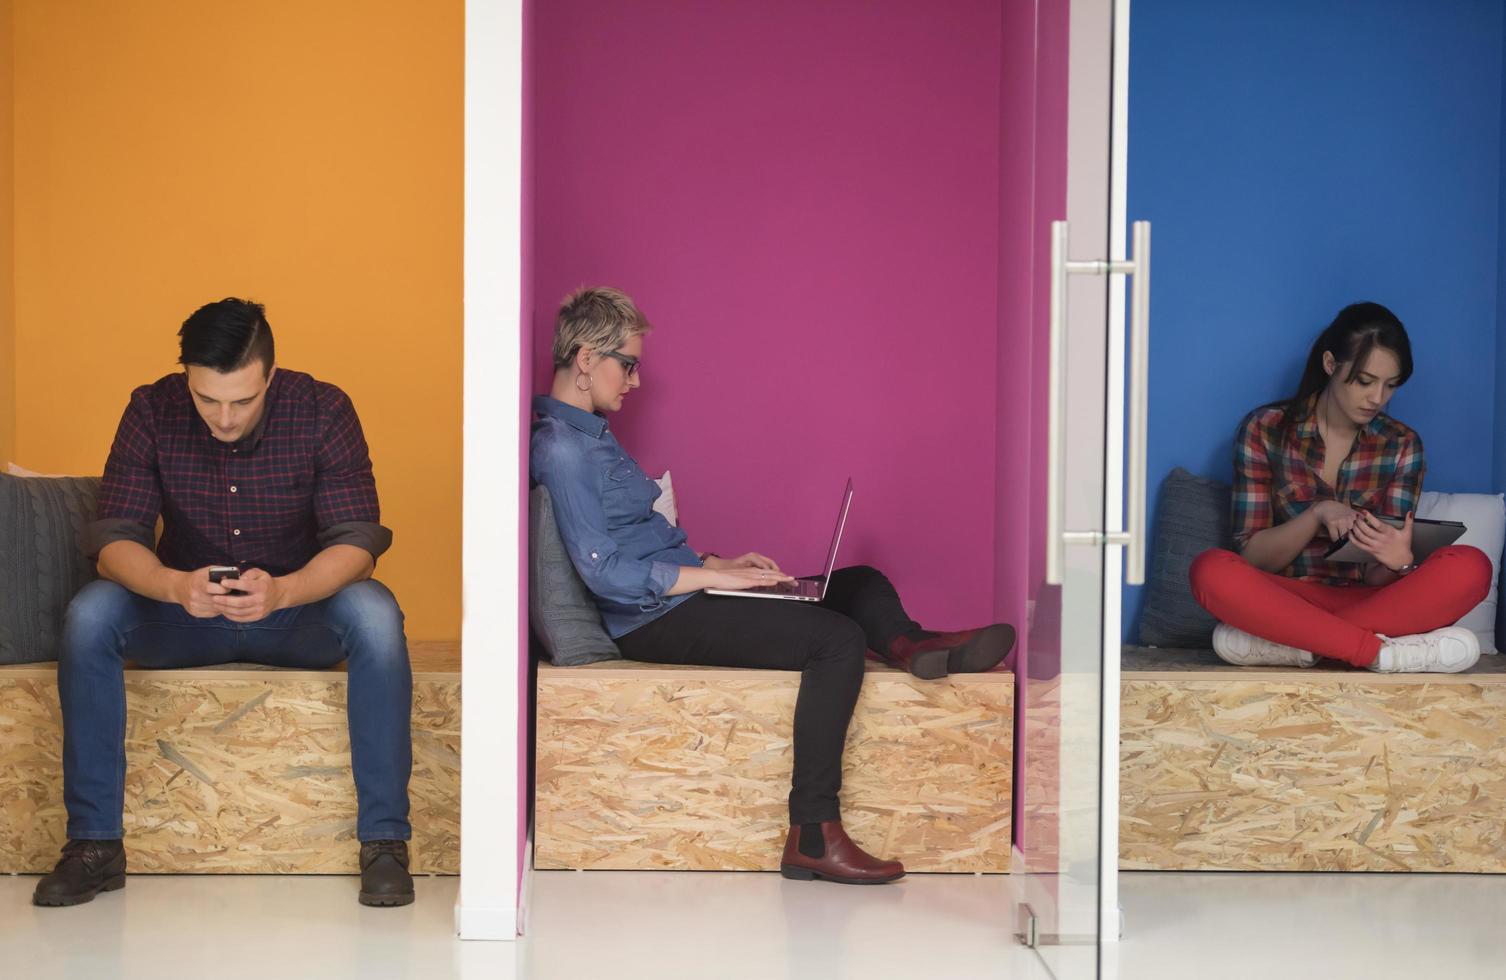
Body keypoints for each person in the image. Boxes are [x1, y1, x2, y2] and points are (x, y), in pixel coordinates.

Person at [530, 286, 1016, 885]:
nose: (632, 380)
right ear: (585, 358)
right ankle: (813, 833)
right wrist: (715, 577)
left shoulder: (592, 438)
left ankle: (914, 648)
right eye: (627, 364)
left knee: (857, 581)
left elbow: (634, 538)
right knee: (835, 640)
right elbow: (604, 570)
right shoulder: (564, 450)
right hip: (652, 620)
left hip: (681, 594)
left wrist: (720, 560)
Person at [34, 298, 415, 909]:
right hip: (185, 615)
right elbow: (113, 541)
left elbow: (358, 543)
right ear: (187, 377)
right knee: (89, 615)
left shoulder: (323, 408)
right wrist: (173, 585)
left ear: (270, 375)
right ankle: (94, 846)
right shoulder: (151, 409)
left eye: (242, 400)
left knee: (374, 612)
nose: (224, 417)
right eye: (207, 399)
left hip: (296, 614)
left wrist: (286, 590)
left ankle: (386, 844)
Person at [1190, 302, 1491, 673]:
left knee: (1472, 566)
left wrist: (1400, 562)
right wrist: (1317, 514)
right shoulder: (1264, 429)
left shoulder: (1402, 445)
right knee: (1210, 570)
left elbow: (1376, 574)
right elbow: (1253, 557)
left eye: (1390, 385)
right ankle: (1377, 653)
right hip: (1286, 598)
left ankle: (1301, 644)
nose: (1377, 398)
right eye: (1365, 381)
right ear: (1331, 365)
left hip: (1372, 600)